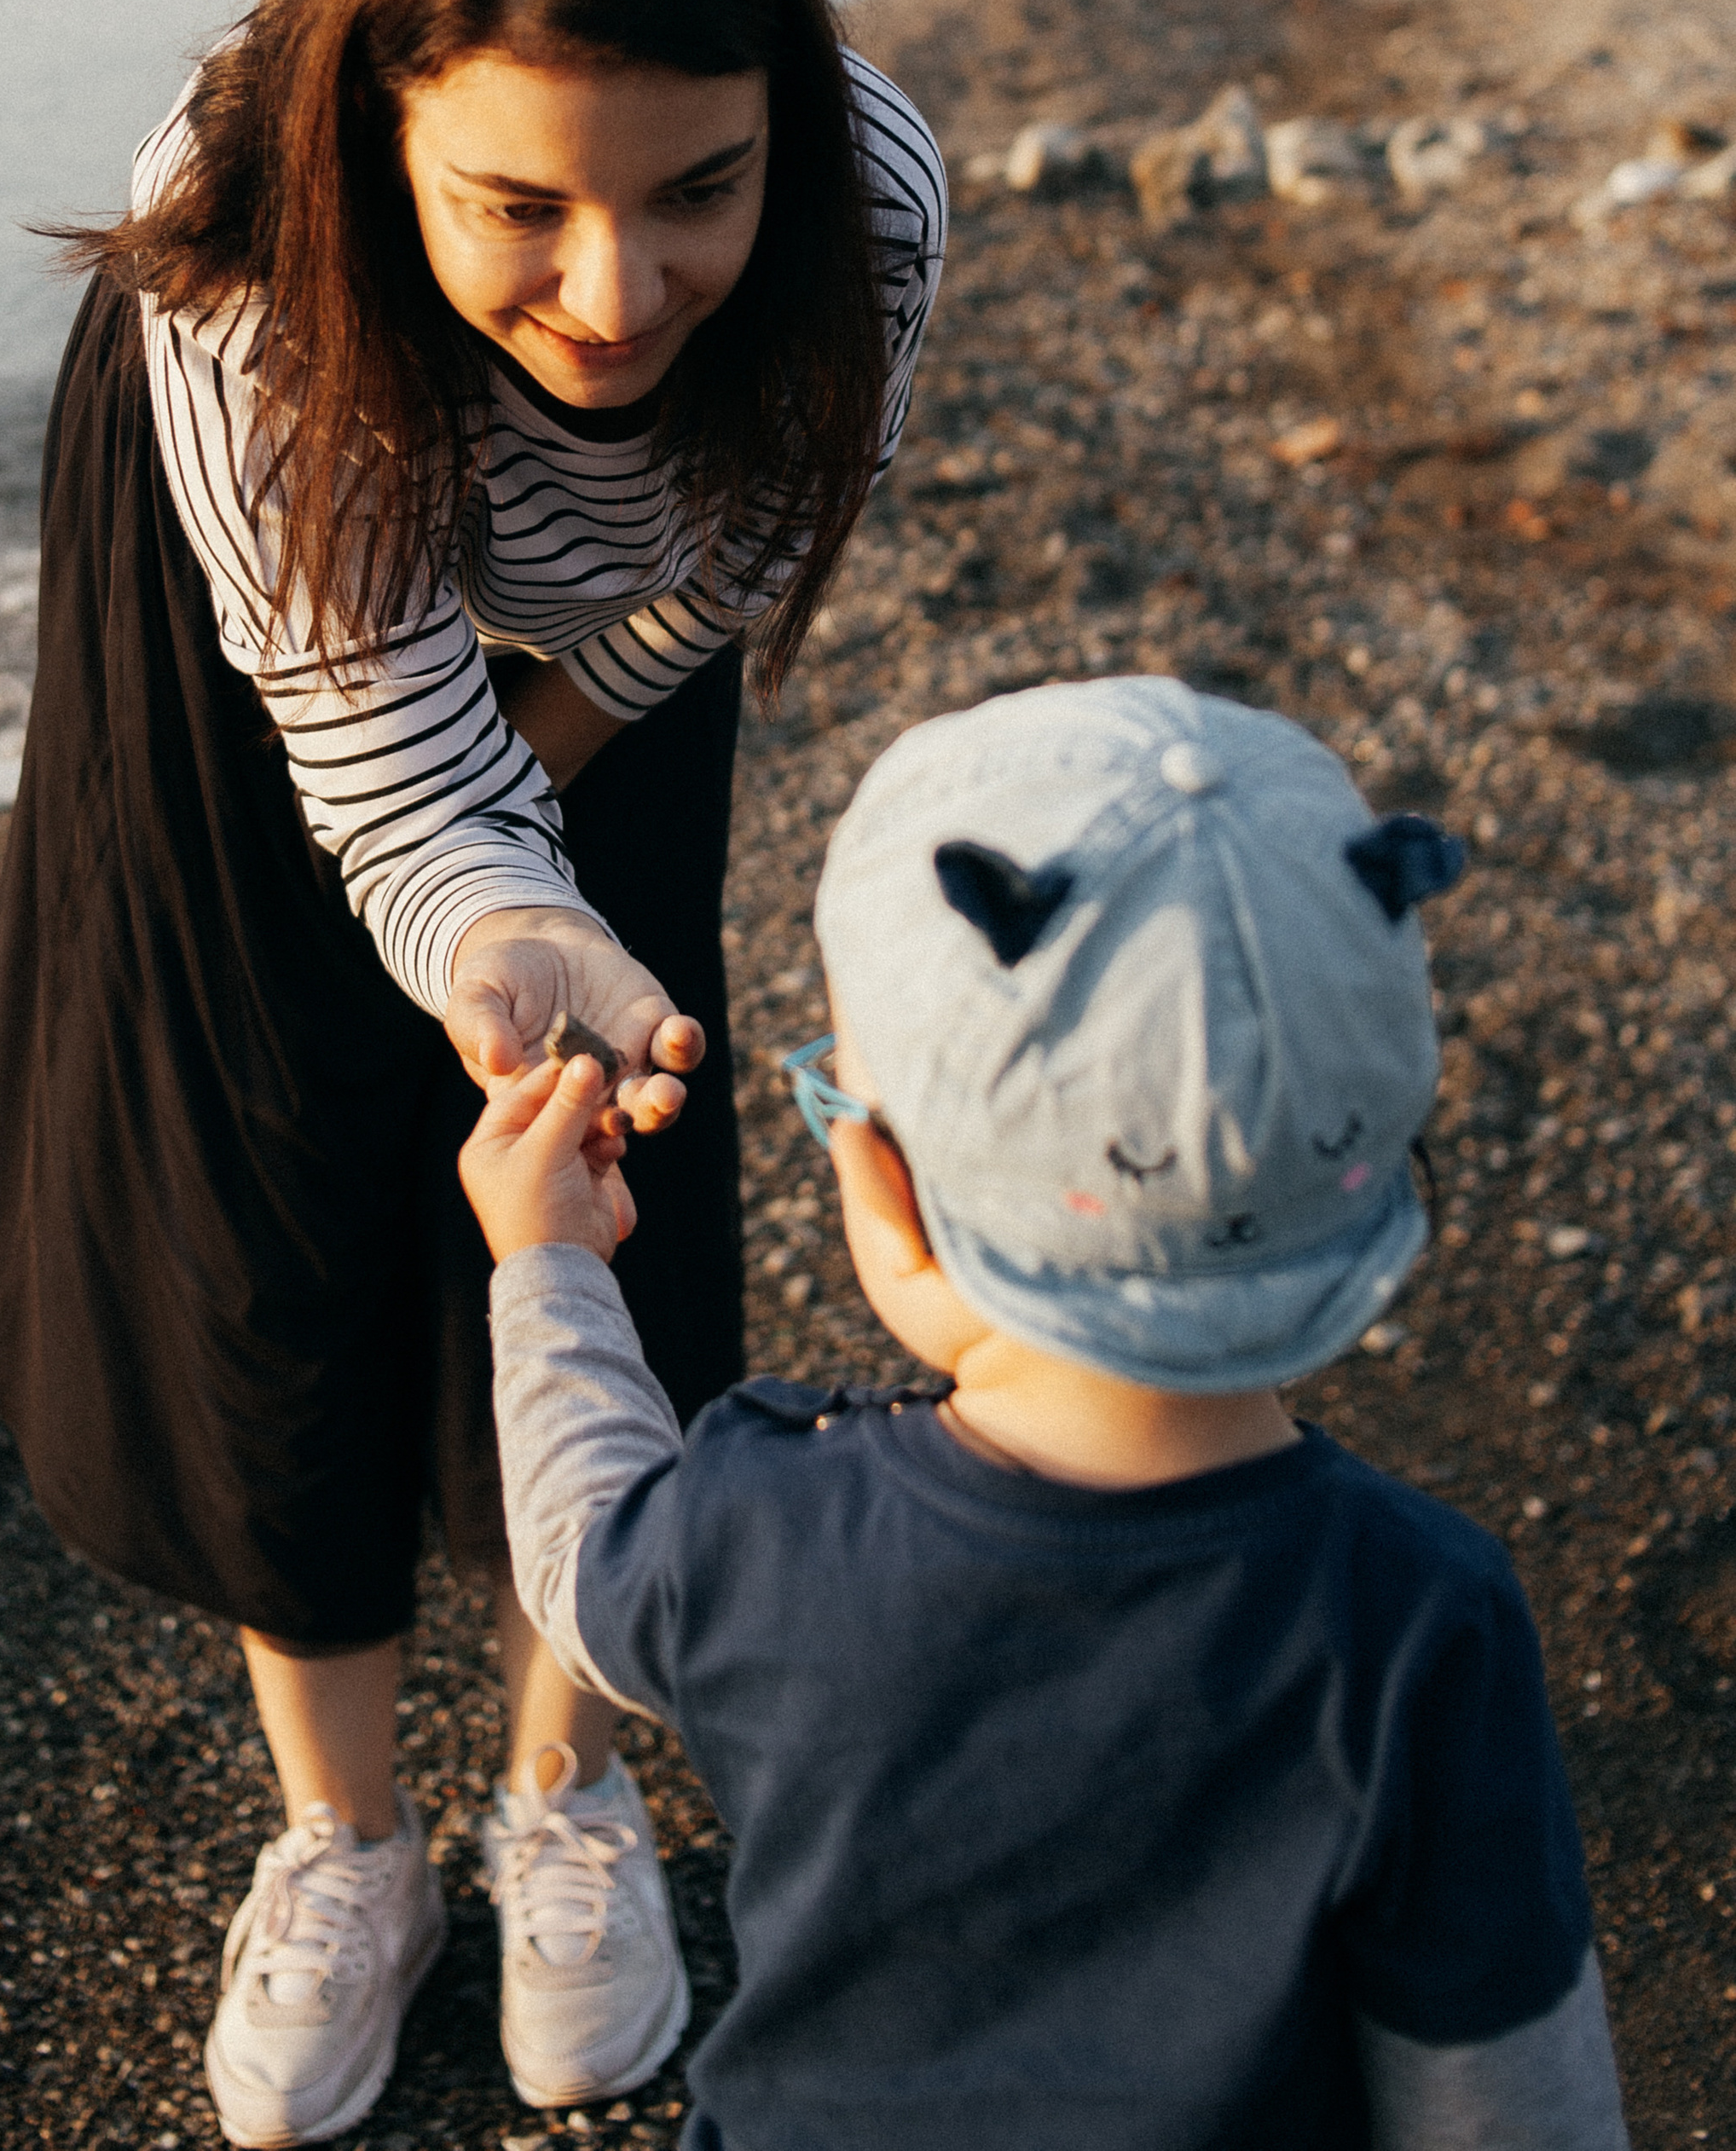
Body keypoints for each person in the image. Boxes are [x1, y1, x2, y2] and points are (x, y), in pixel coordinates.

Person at [0, 0, 947, 2144]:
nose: (618, 293)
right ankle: (351, 1840)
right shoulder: (244, 232)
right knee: (254, 1172)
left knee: (606, 1148)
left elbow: (759, 517)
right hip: (277, 606)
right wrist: (491, 886)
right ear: (388, 143)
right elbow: (387, 758)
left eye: (699, 192)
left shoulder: (873, 195)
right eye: (520, 206)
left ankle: (564, 1787)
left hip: (601, 623)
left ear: (779, 133)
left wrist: (579, 725)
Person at [463, 674, 1631, 2151]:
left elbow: (576, 1563)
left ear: (885, 1186)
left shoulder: (768, 1525)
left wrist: (548, 1265)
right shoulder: (1421, 1615)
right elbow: (1502, 2103)